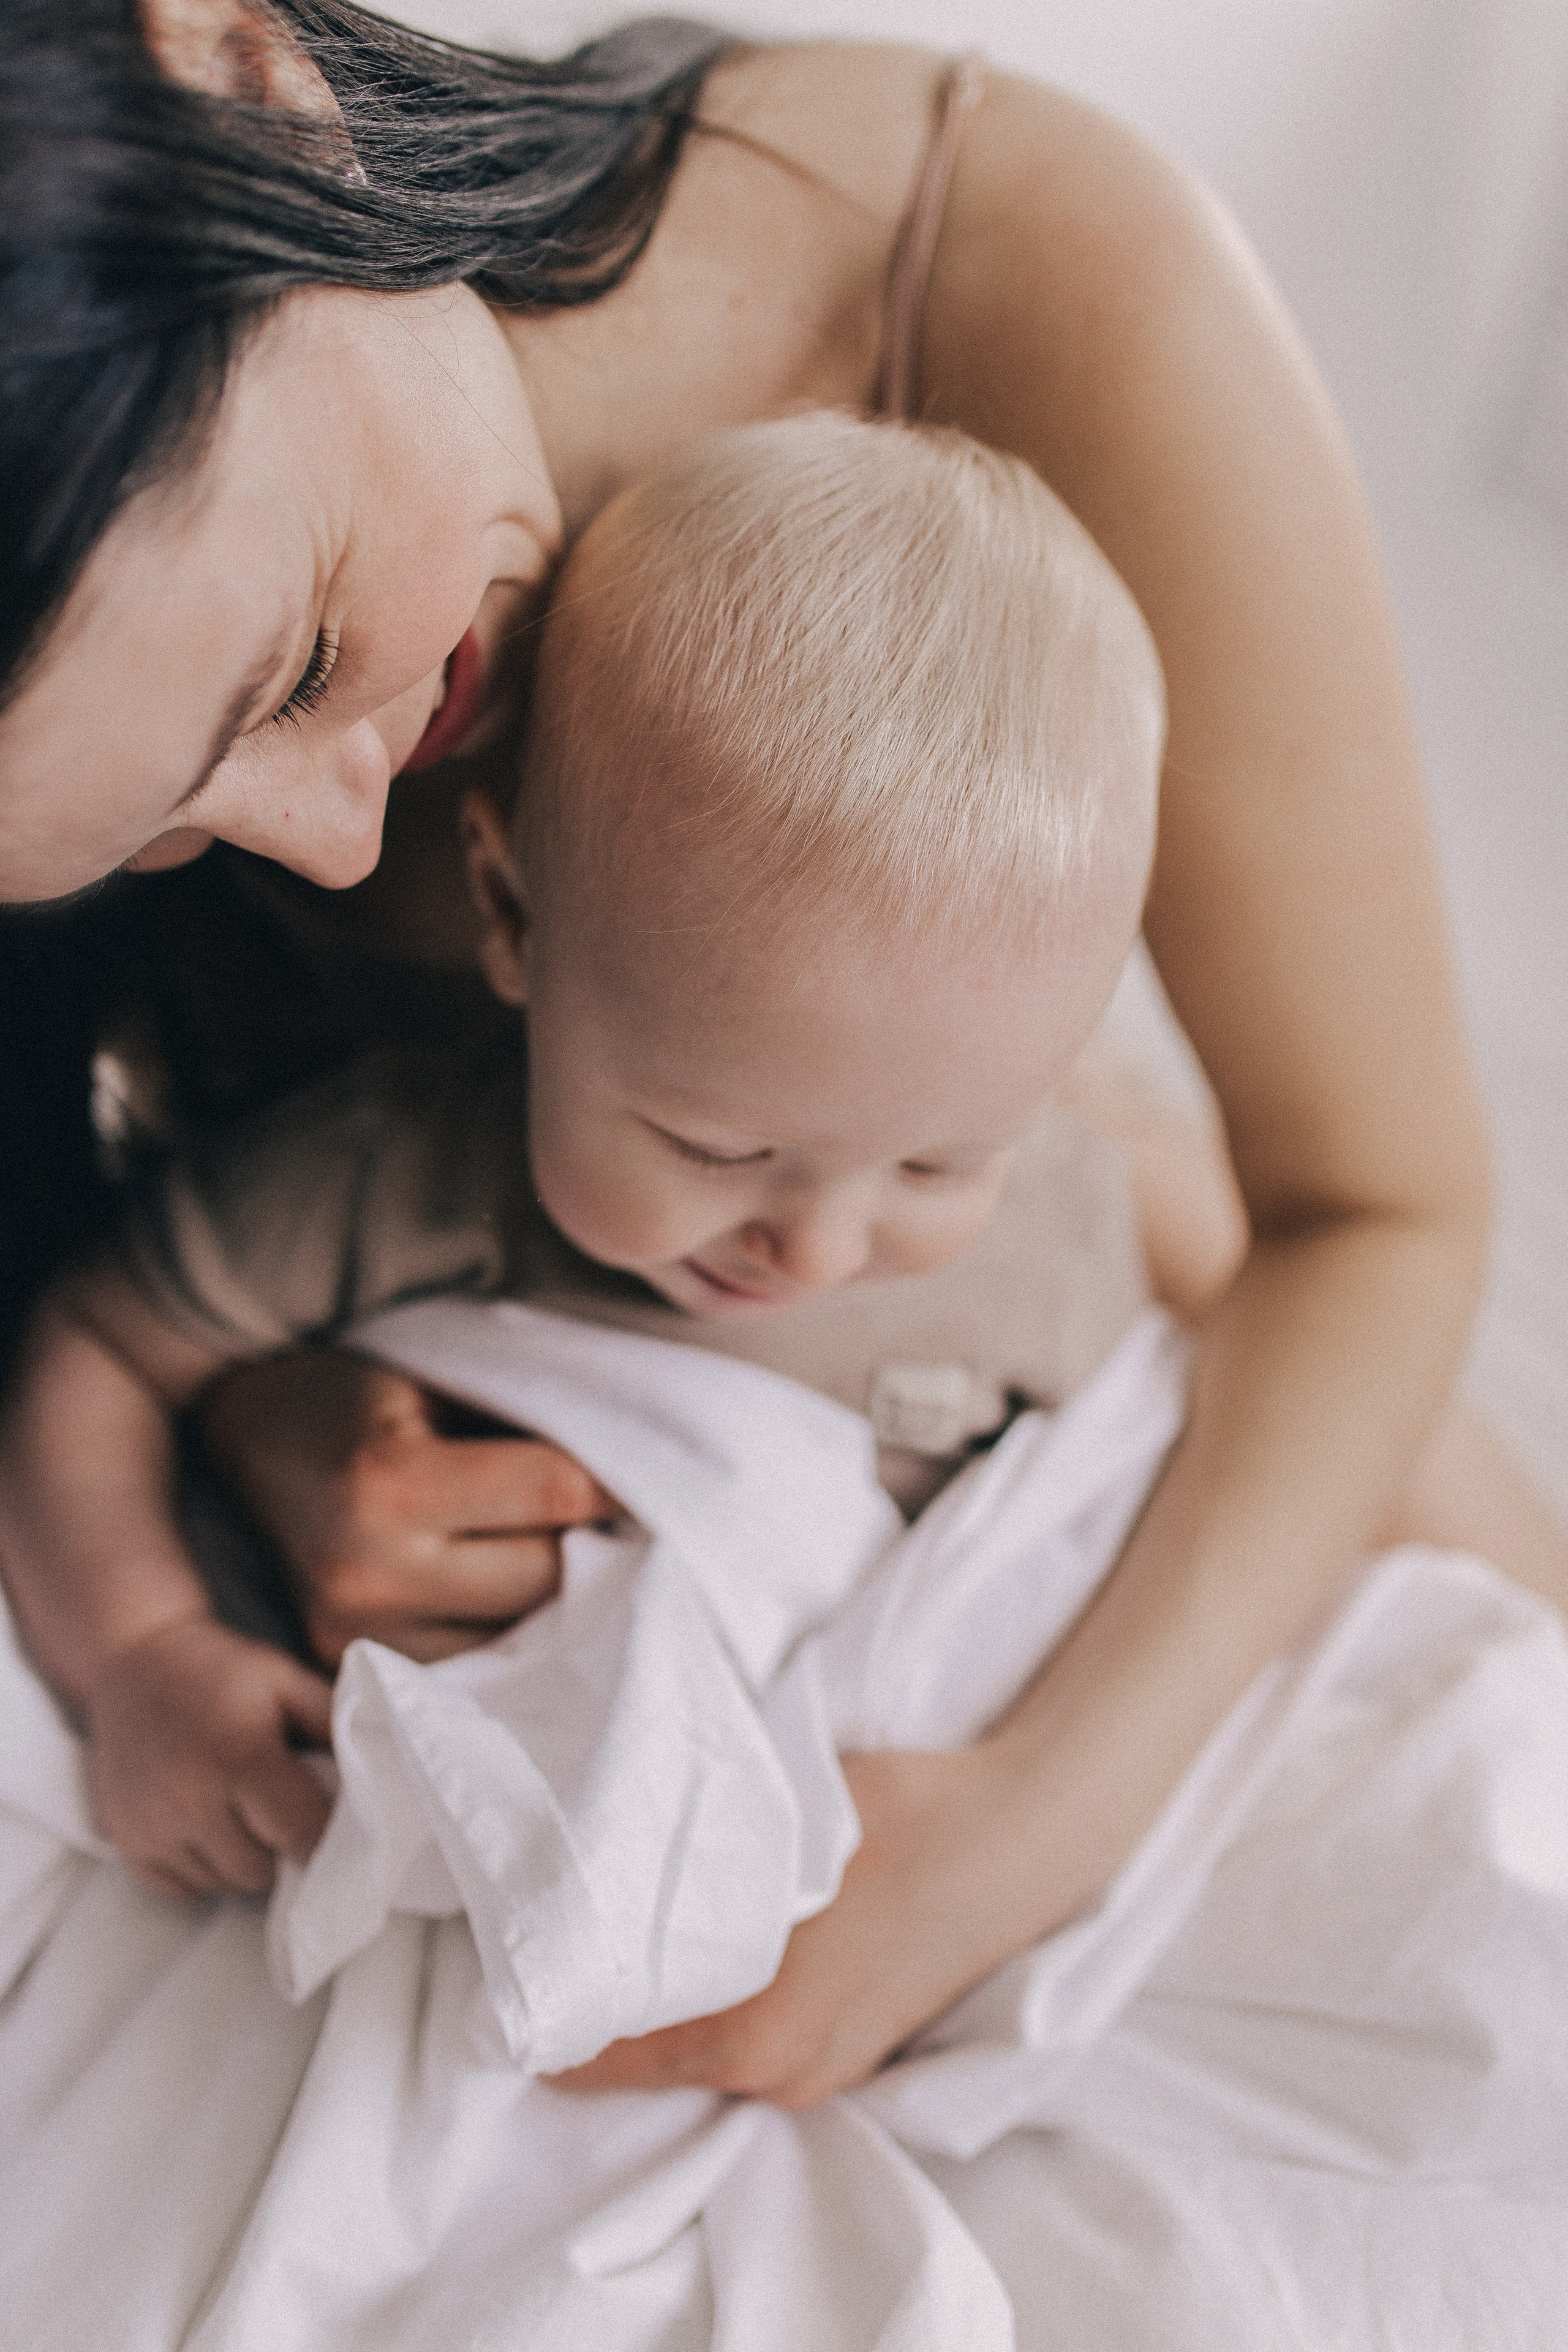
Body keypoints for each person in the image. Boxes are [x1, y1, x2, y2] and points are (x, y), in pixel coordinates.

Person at [0, 0, 1556, 2109]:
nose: (347, 845)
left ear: (247, 67)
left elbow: (1370, 1213)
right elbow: (110, 1274)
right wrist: (255, 1419)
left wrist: (1013, 1833)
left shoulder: (1030, 289)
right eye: (164, 833)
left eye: (291, 666)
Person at [0, 409, 1166, 1896]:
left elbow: (1132, 1484)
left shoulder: (1066, 1222)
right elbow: (96, 1347)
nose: (810, 1247)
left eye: (940, 1167)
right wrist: (143, 1653)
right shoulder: (399, 1168)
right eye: (715, 1142)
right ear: (512, 915)